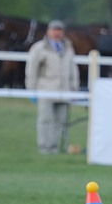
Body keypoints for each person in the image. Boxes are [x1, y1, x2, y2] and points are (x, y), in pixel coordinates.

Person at [25, 20, 79, 154]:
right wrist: (32, 89)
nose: (57, 33)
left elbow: (73, 69)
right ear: (48, 31)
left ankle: (53, 148)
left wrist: (74, 88)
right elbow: (32, 69)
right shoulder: (39, 48)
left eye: (60, 30)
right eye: (55, 30)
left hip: (64, 90)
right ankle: (44, 147)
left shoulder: (68, 48)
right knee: (45, 120)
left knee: (61, 121)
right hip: (46, 89)